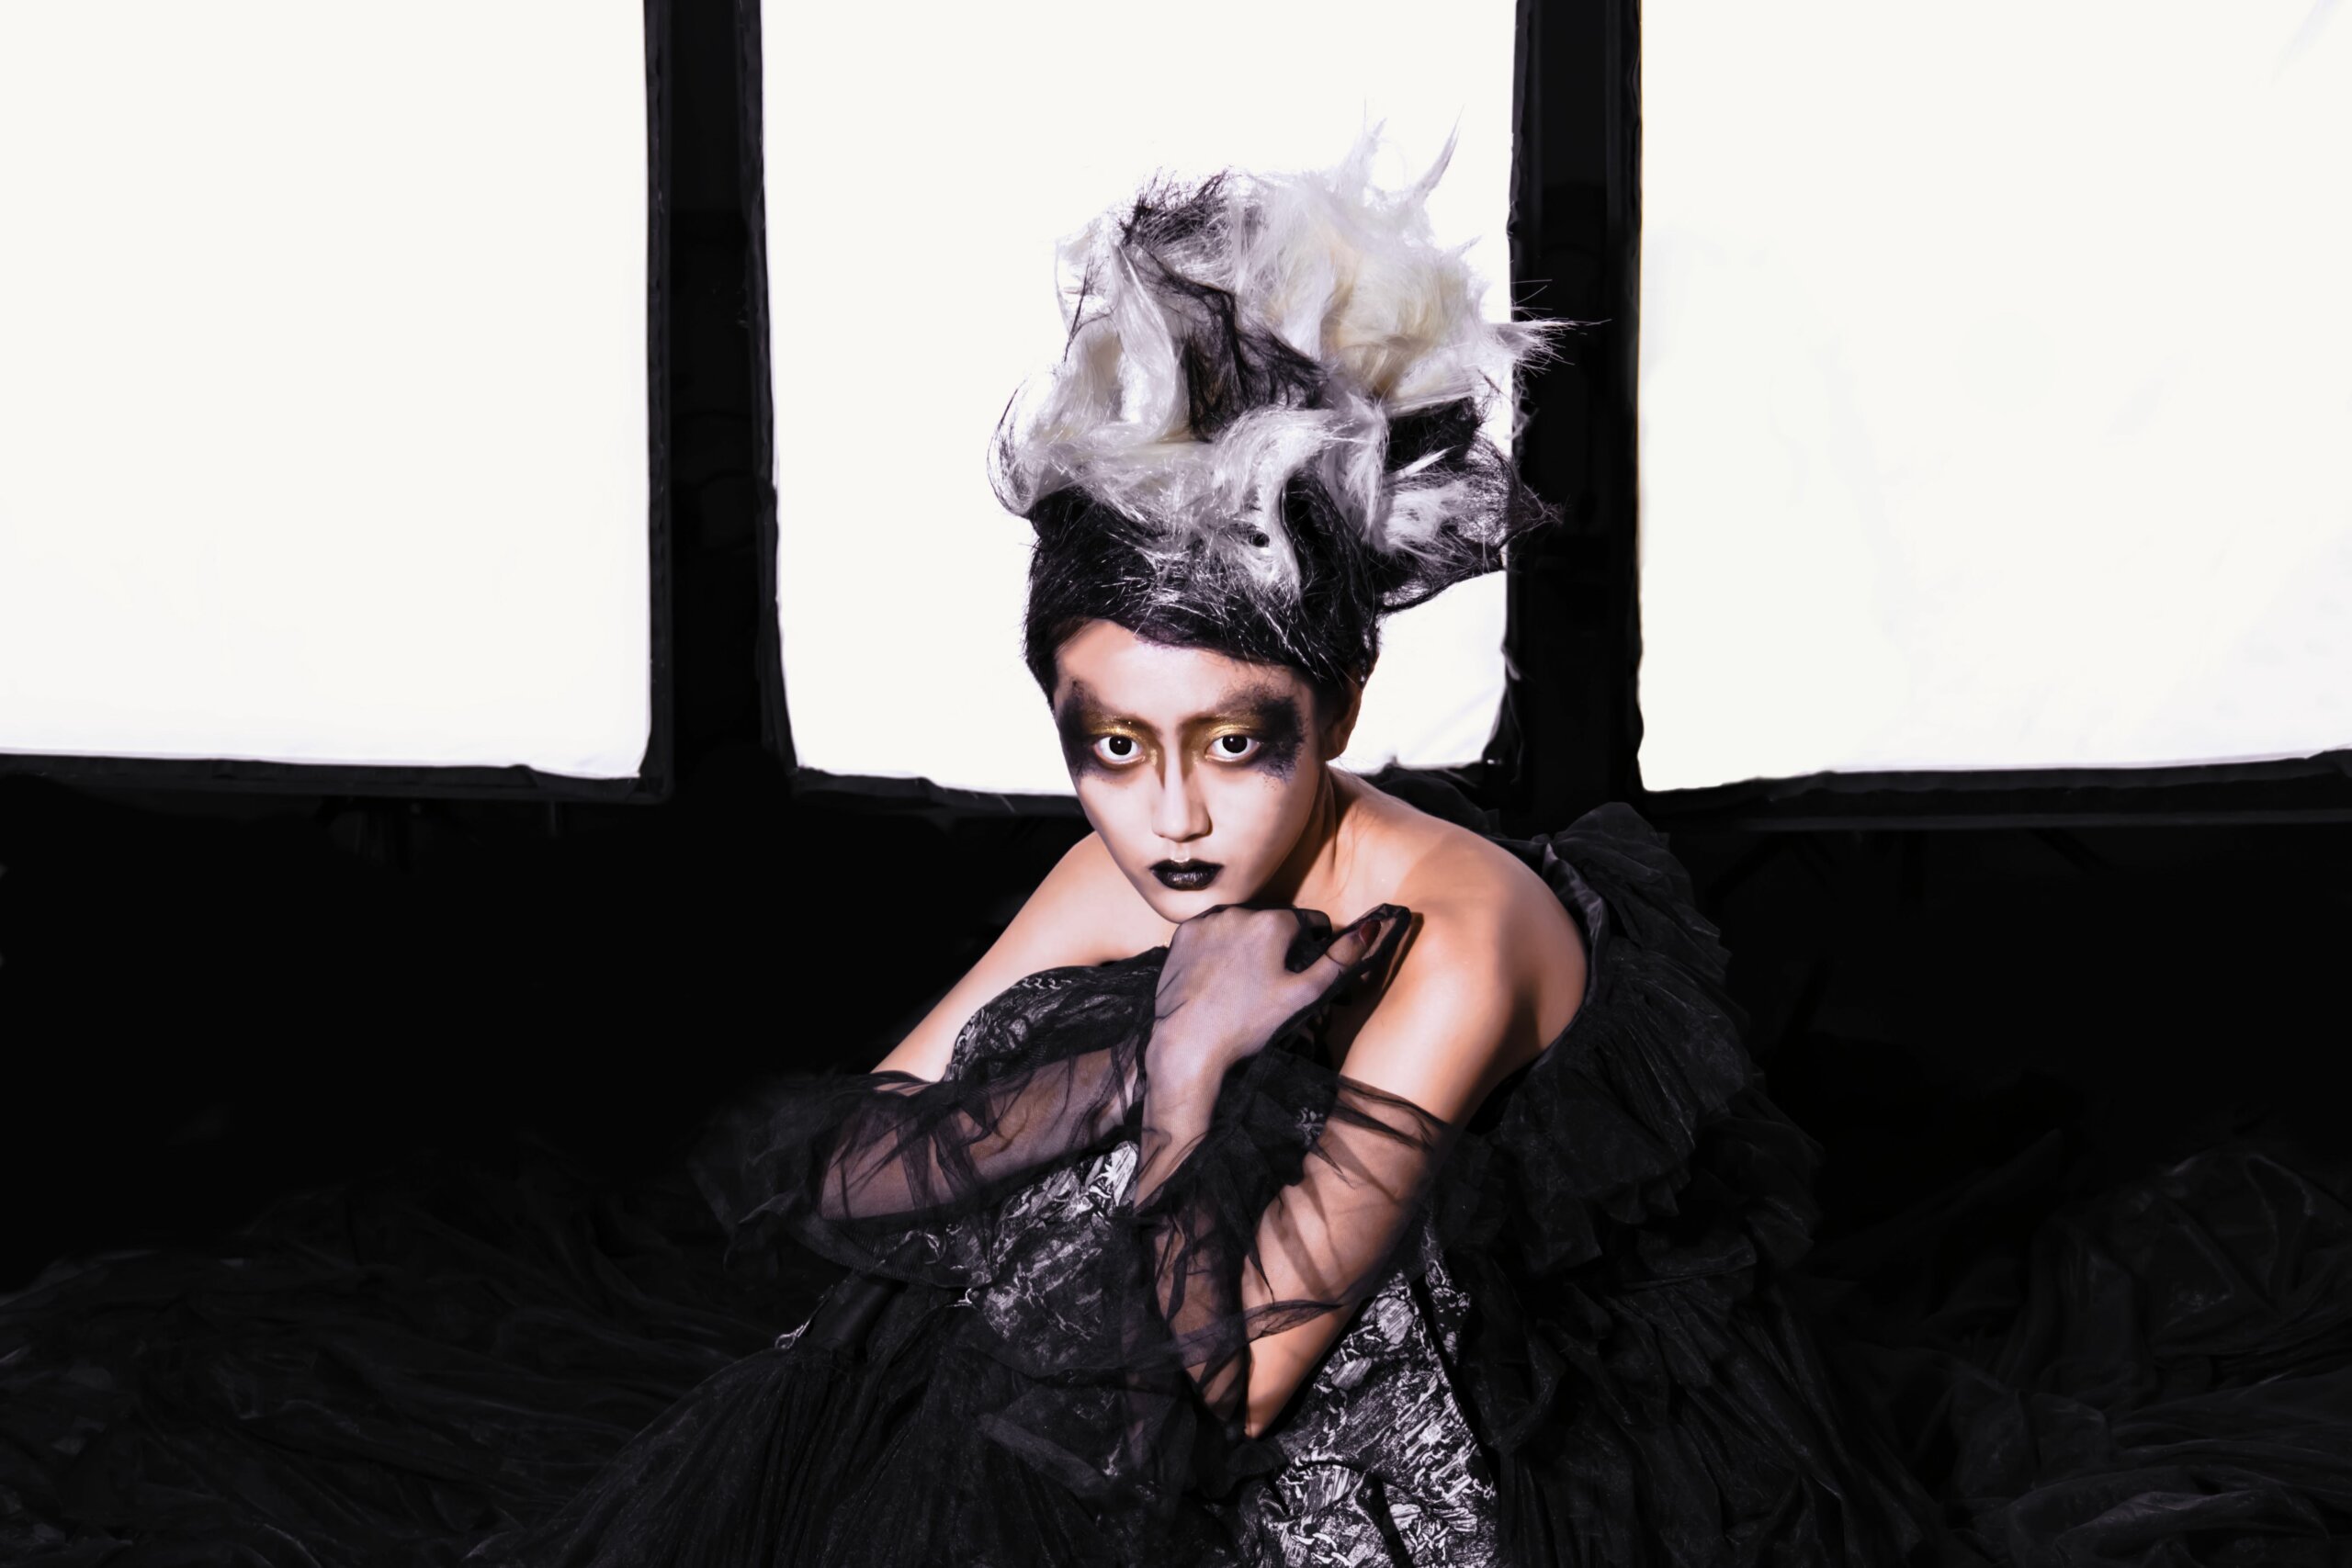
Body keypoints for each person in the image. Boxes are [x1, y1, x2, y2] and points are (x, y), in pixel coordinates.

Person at [491, 134, 1950, 1566]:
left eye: (1236, 742)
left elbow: (1237, 1385)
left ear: (1340, 709)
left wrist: (1183, 1084)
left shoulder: (1456, 937)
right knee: (1002, 1252)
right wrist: (1139, 1069)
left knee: (1104, 1221)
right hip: (1201, 1347)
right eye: (1116, 746)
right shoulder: (1117, 870)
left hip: (1456, 1415)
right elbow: (850, 1171)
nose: (1173, 816)